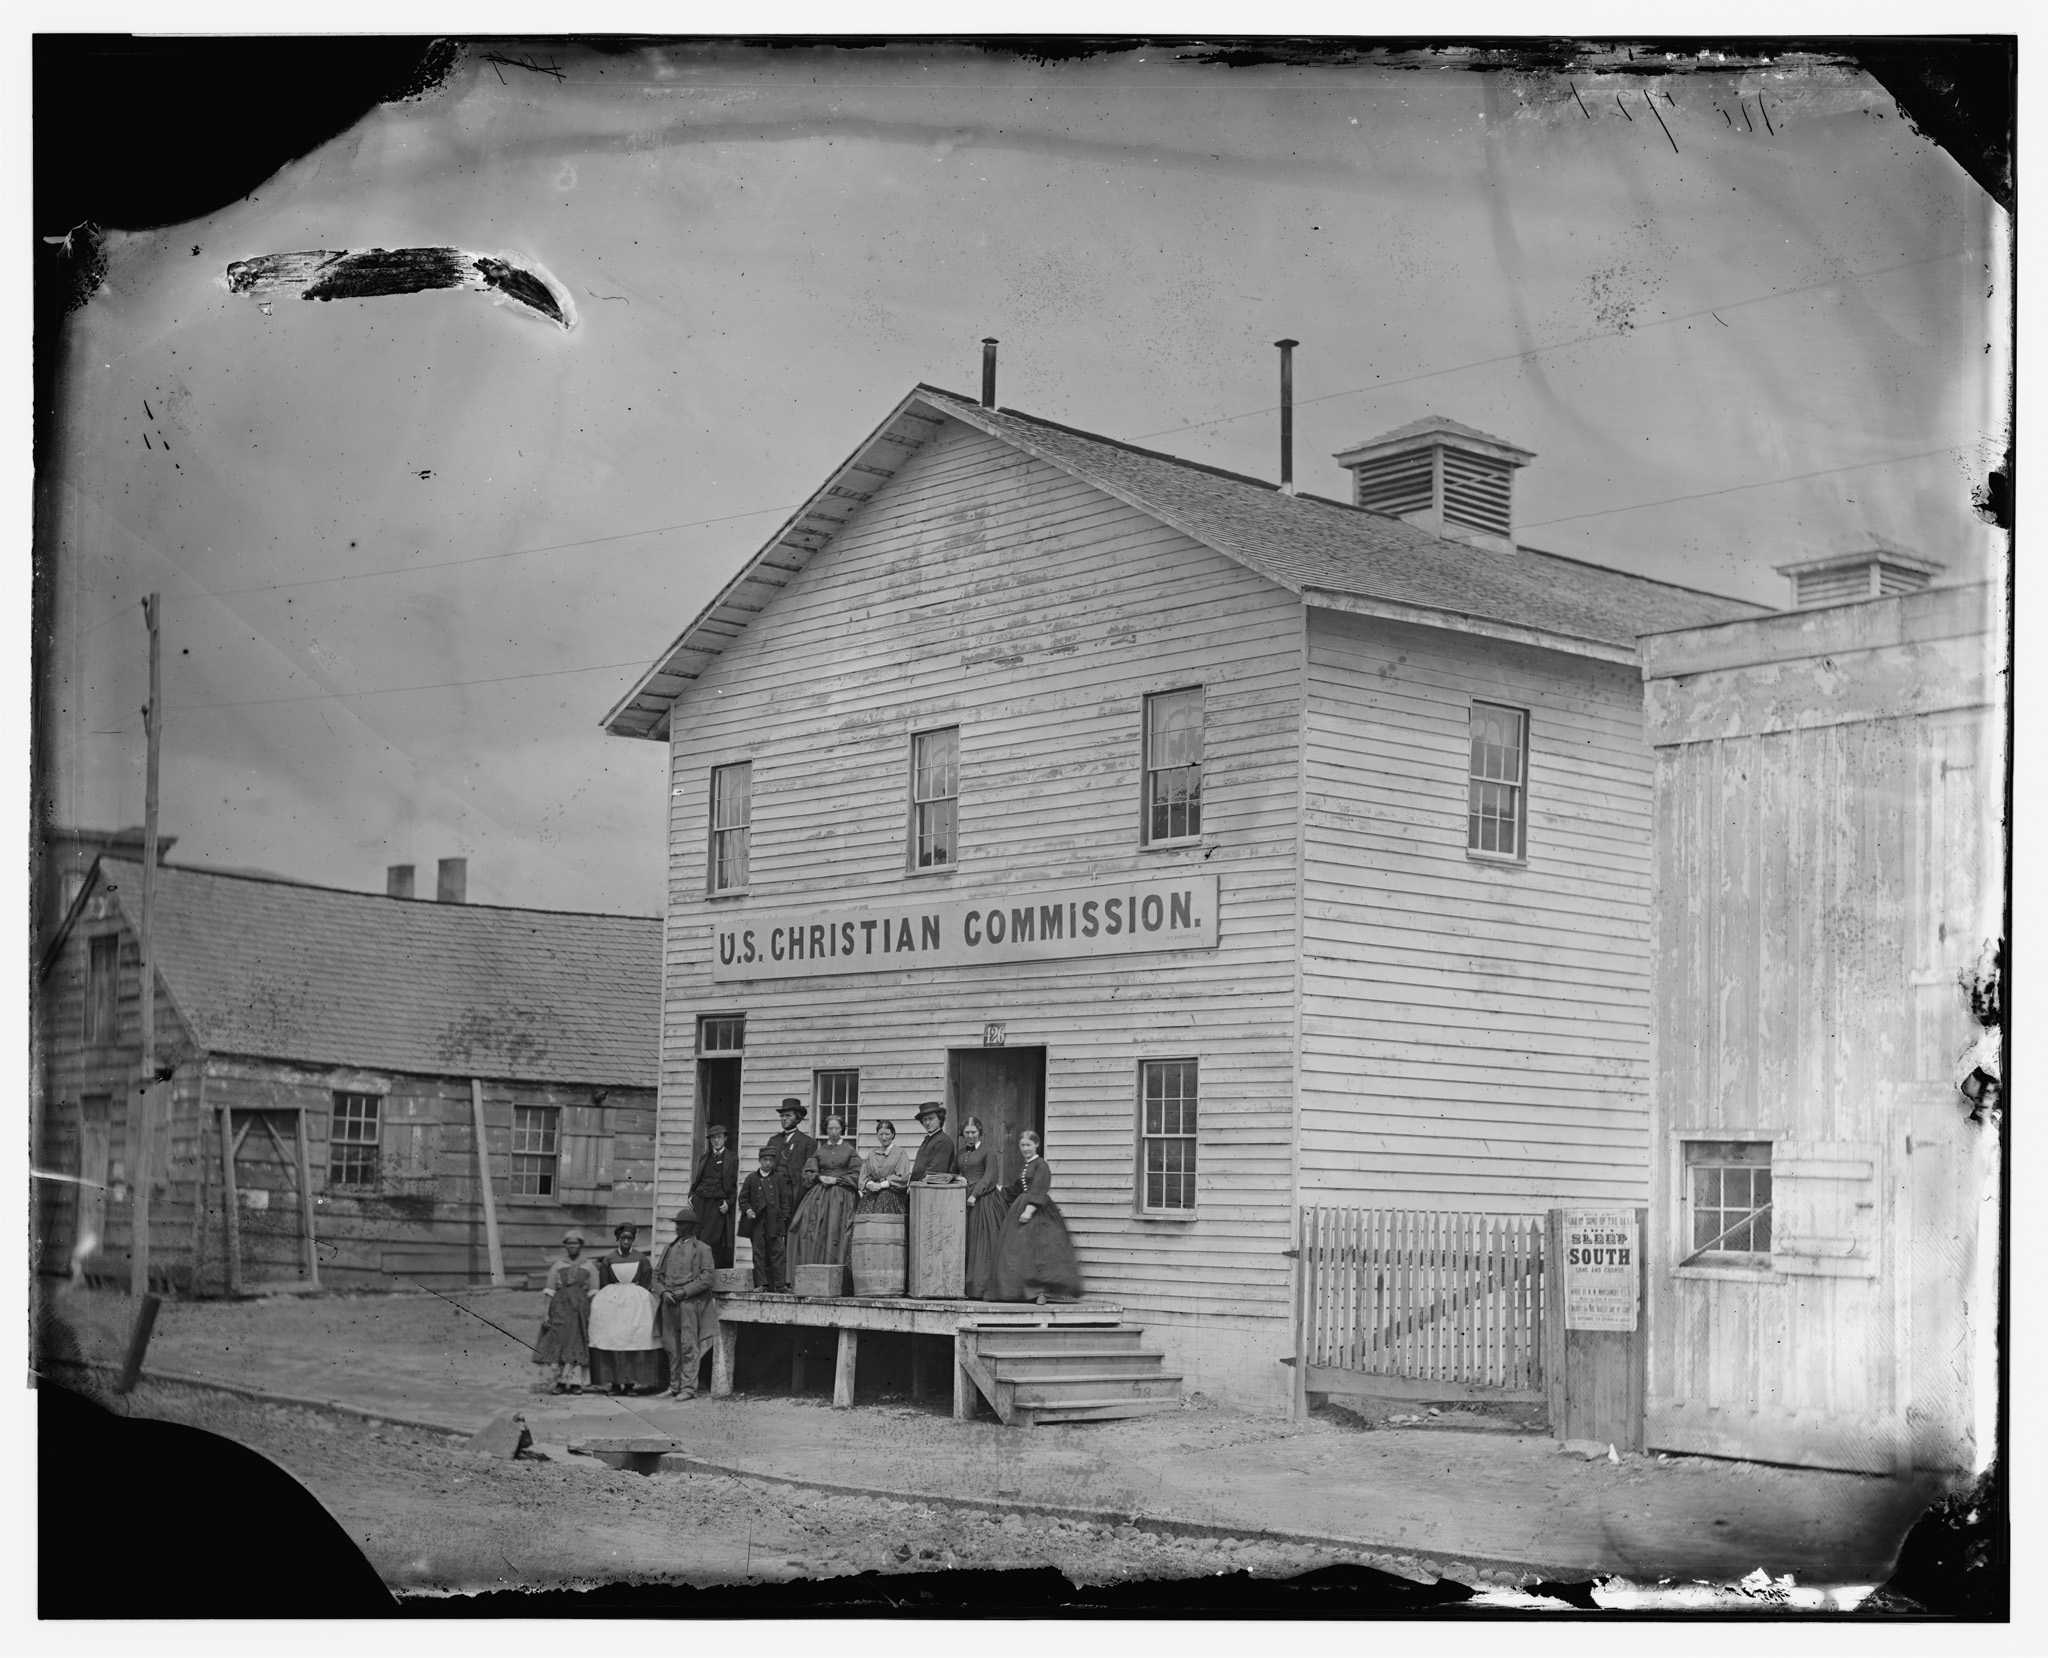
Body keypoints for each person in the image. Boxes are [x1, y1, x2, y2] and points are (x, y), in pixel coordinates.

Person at [992, 1130, 1083, 1304]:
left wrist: (1030, 1209)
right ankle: (1023, 1290)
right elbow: (1020, 1186)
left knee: (1040, 1251)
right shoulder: (1028, 1165)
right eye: (1022, 1145)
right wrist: (1001, 1190)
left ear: (1036, 1145)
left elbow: (1040, 1187)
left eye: (1028, 1145)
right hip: (1022, 1205)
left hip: (1038, 1212)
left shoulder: (1041, 1165)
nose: (1025, 1149)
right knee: (1020, 1250)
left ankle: (1042, 1291)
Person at [588, 1221, 667, 1394]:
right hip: (613, 1301)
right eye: (623, 1238)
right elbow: (604, 1282)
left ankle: (630, 1383)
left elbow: (646, 1280)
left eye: (629, 1238)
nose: (626, 1241)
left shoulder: (641, 1258)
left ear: (633, 1240)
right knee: (613, 1339)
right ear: (618, 1238)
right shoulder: (609, 1259)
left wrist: (638, 1294)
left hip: (636, 1302)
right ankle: (615, 1384)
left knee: (633, 1339)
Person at [655, 1204, 717, 1399]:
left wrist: (684, 1292)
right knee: (671, 1346)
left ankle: (688, 1388)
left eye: (681, 1225)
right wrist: (663, 1292)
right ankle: (674, 1385)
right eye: (677, 1224)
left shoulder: (702, 1249)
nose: (677, 1228)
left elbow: (707, 1278)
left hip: (690, 1303)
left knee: (688, 1345)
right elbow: (656, 1275)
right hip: (669, 1302)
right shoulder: (668, 1248)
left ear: (691, 1227)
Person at [786, 1114, 860, 1274]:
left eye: (836, 1128)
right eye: (830, 1128)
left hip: (842, 1195)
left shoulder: (849, 1150)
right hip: (820, 1194)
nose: (833, 1132)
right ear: (826, 1130)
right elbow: (808, 1171)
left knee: (836, 1230)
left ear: (842, 1130)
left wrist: (838, 1180)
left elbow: (857, 1172)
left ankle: (838, 1273)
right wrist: (819, 1176)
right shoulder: (820, 1151)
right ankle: (812, 1272)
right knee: (805, 1226)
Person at [533, 1229, 600, 1393]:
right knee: (561, 1343)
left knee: (577, 1342)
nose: (572, 1246)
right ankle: (561, 1382)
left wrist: (591, 1313)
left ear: (581, 1245)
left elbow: (593, 1291)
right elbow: (549, 1290)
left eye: (575, 1243)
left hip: (580, 1310)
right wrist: (546, 1313)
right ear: (565, 1246)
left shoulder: (589, 1266)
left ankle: (576, 1383)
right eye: (569, 1243)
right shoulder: (558, 1265)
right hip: (560, 1308)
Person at [957, 1118, 1009, 1301]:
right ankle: (968, 1286)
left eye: (973, 1132)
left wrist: (975, 1194)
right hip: (964, 1200)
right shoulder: (962, 1152)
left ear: (980, 1132)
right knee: (968, 1241)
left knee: (983, 1244)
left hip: (983, 1200)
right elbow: (959, 1173)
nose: (970, 1135)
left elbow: (990, 1177)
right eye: (967, 1132)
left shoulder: (988, 1152)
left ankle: (983, 1288)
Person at [689, 1123, 740, 1270]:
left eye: (719, 1137)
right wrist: (691, 1196)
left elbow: (734, 1185)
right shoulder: (705, 1157)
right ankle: (697, 1271)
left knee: (712, 1238)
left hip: (717, 1204)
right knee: (697, 1235)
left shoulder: (731, 1158)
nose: (716, 1141)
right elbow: (698, 1179)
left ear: (725, 1139)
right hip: (701, 1201)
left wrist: (729, 1203)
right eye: (713, 1138)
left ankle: (709, 1271)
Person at [738, 1146, 789, 1291]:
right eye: (765, 1160)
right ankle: (761, 1284)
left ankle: (780, 1284)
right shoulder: (751, 1178)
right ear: (760, 1161)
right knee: (758, 1253)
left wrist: (783, 1218)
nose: (768, 1163)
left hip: (775, 1222)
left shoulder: (778, 1178)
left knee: (777, 1253)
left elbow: (784, 1200)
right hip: (757, 1222)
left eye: (771, 1160)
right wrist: (748, 1210)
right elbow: (743, 1199)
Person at [767, 1099, 817, 1225]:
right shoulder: (774, 1141)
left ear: (798, 1118)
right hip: (774, 1192)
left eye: (788, 1115)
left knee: (792, 1229)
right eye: (782, 1116)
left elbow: (810, 1172)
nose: (784, 1119)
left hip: (795, 1194)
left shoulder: (808, 1143)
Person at [854, 1119, 911, 1214]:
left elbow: (902, 1177)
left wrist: (881, 1185)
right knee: (865, 1206)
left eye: (887, 1134)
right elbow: (863, 1177)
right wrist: (869, 1184)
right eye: (881, 1134)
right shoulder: (872, 1154)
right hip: (873, 1192)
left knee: (884, 1199)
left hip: (893, 1194)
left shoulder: (900, 1153)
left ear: (892, 1134)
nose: (884, 1138)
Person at [908, 1101, 957, 1183]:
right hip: (919, 1188)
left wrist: (916, 1183)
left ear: (940, 1119)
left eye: (931, 1119)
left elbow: (935, 1171)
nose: (927, 1123)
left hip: (932, 1189)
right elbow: (918, 1168)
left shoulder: (943, 1141)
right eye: (924, 1119)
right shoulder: (928, 1139)